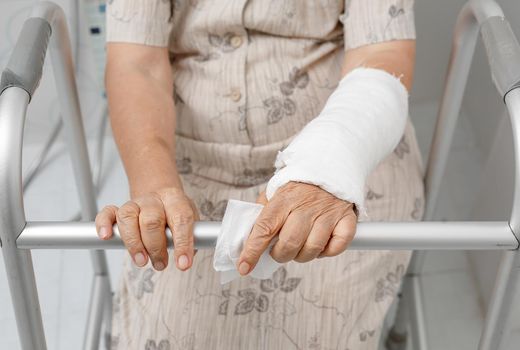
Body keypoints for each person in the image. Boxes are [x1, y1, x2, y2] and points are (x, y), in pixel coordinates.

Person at [95, 0, 425, 349]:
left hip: (344, 153)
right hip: (186, 163)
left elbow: (383, 50)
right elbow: (136, 64)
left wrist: (326, 166)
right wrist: (156, 184)